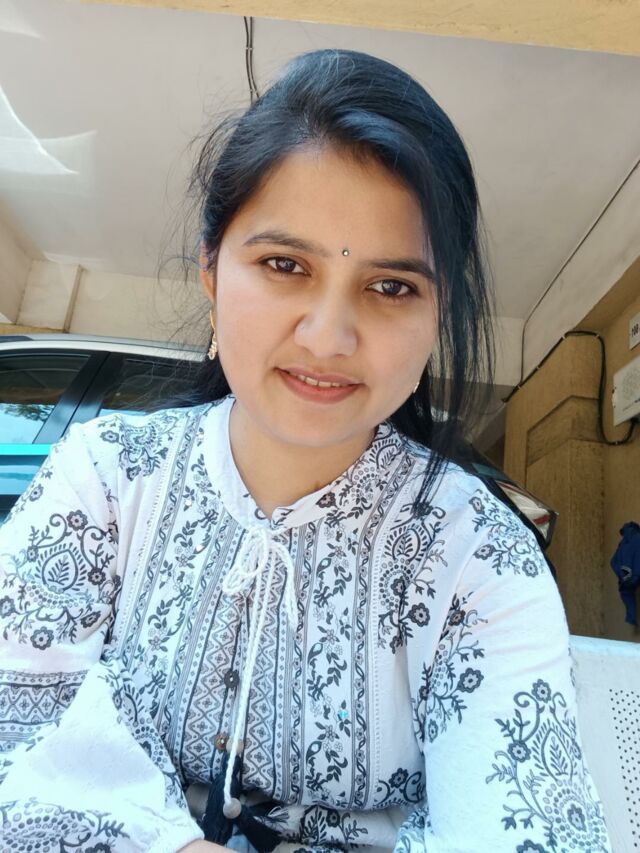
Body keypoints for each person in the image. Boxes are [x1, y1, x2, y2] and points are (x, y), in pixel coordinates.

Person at [0, 49, 611, 853]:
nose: (328, 337)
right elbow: (16, 724)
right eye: (284, 264)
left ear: (438, 315)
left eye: (391, 286)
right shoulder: (106, 478)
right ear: (212, 271)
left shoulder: (479, 559)